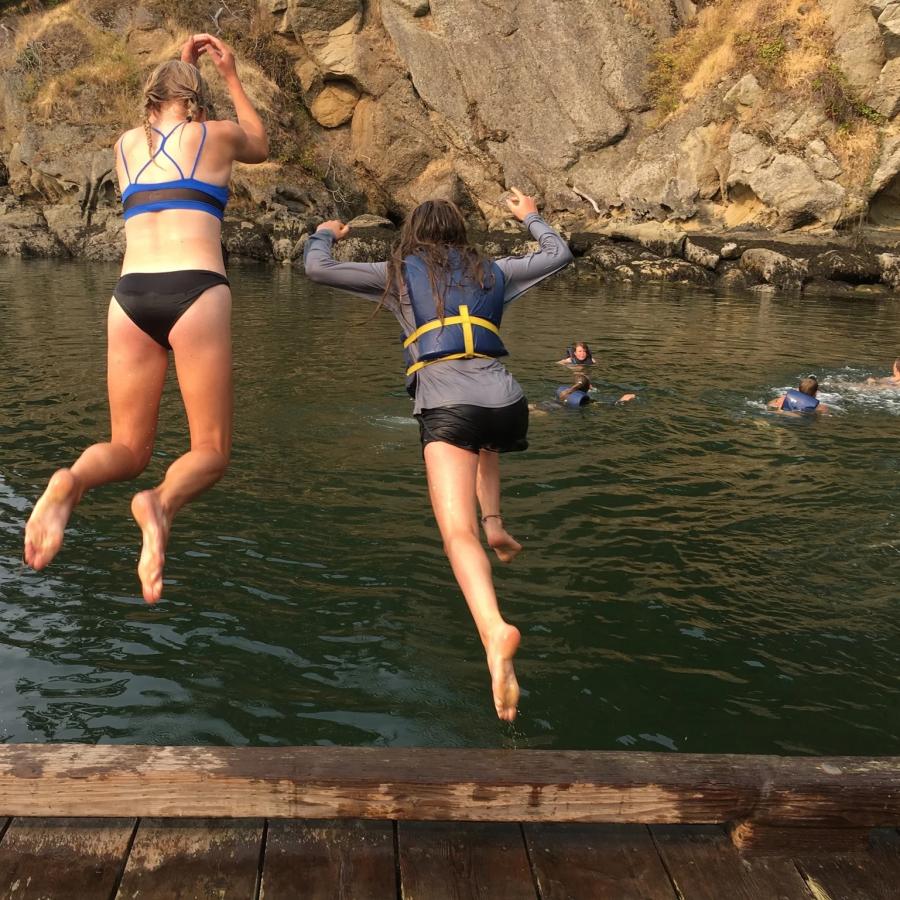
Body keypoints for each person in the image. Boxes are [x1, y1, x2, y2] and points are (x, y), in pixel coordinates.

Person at [303, 189, 573, 721]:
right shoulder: (495, 270)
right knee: (484, 445)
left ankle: (494, 631)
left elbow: (316, 269)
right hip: (508, 402)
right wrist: (529, 216)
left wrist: (325, 234)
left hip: (447, 403)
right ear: (459, 232)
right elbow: (559, 253)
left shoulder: (397, 273)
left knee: (456, 535)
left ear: (414, 235)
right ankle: (495, 522)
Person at [23, 34, 268, 603]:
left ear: (149, 99)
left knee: (128, 449)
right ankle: (159, 504)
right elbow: (259, 142)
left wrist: (180, 69)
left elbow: (168, 126)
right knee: (210, 450)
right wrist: (228, 74)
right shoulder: (214, 134)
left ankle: (71, 481)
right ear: (197, 101)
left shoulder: (125, 145)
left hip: (130, 297)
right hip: (195, 289)